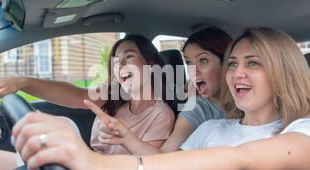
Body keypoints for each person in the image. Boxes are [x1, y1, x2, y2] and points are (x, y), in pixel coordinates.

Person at [12, 27, 310, 170]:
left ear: (283, 73)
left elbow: (240, 164)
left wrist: (96, 167)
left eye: (253, 63)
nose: (238, 72)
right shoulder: (209, 128)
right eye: (234, 63)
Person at [0, 34, 175, 170]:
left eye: (129, 56)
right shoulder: (113, 96)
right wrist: (19, 82)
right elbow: (75, 96)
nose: (119, 64)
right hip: (79, 165)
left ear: (151, 62)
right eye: (115, 61)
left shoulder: (161, 115)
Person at [94, 27, 231, 154]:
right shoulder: (196, 109)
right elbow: (164, 157)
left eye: (203, 61)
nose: (193, 71)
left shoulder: (246, 103)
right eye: (189, 63)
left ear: (227, 62)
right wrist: (125, 136)